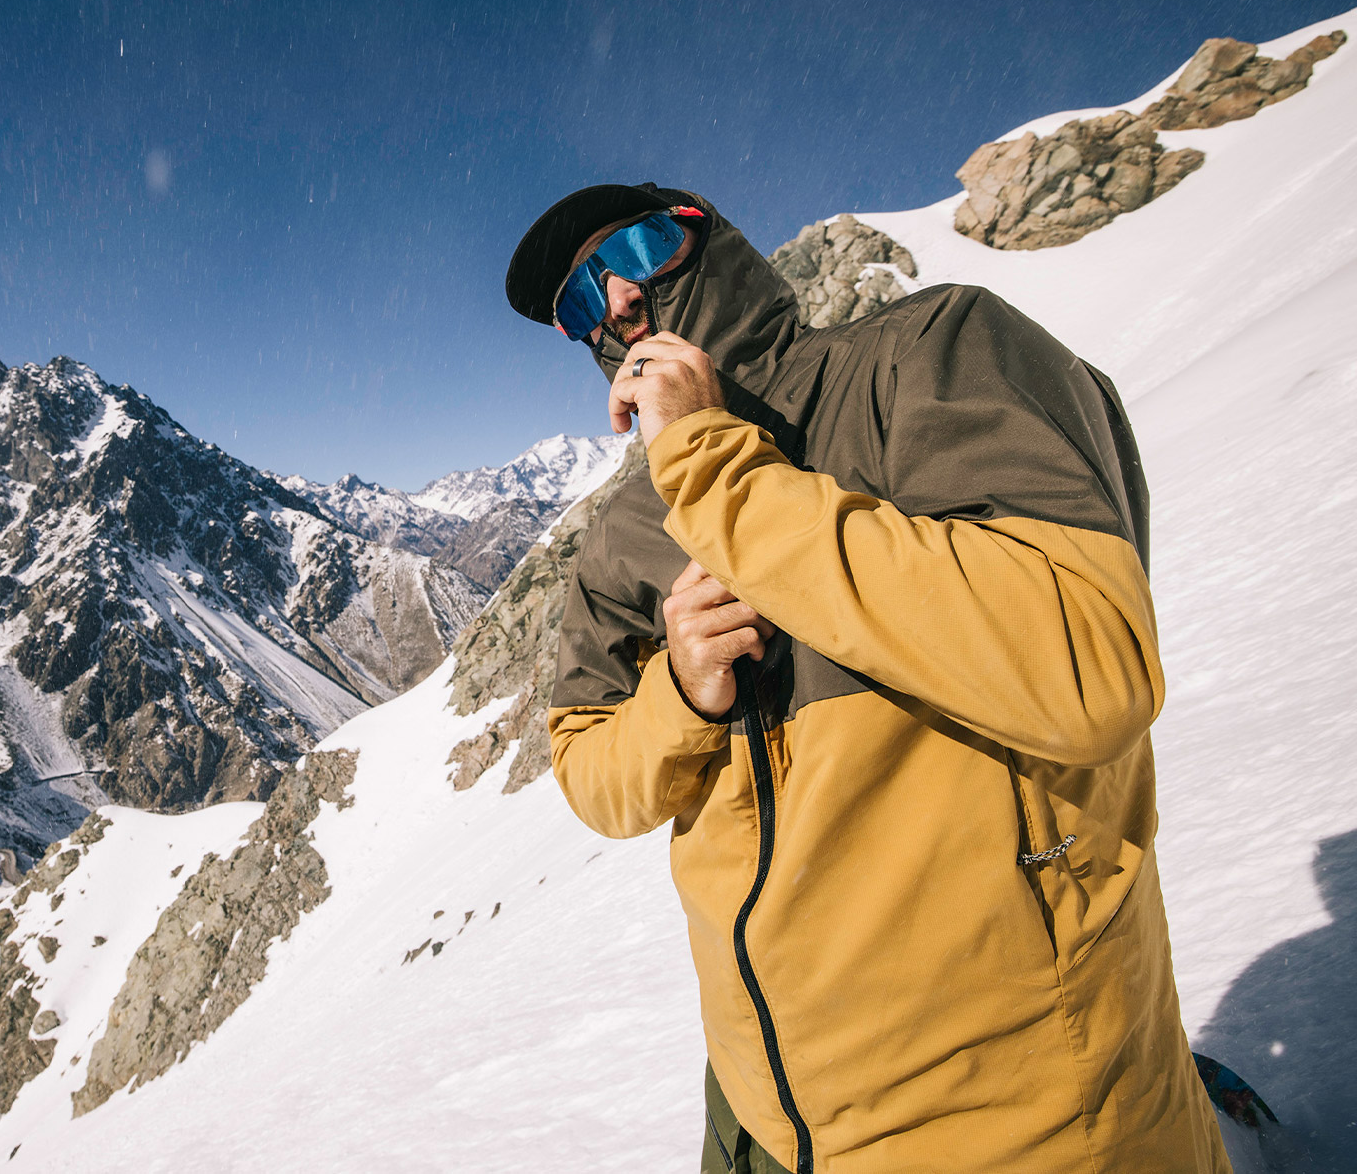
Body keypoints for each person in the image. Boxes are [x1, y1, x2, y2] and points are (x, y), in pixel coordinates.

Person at [505, 183, 1227, 1173]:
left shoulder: (934, 354)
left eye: (631, 251)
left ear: (707, 235)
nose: (618, 304)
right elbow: (588, 768)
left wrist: (720, 474)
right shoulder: (628, 532)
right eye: (580, 304)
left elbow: (1086, 667)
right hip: (762, 1104)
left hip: (1027, 1124)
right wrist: (679, 691)